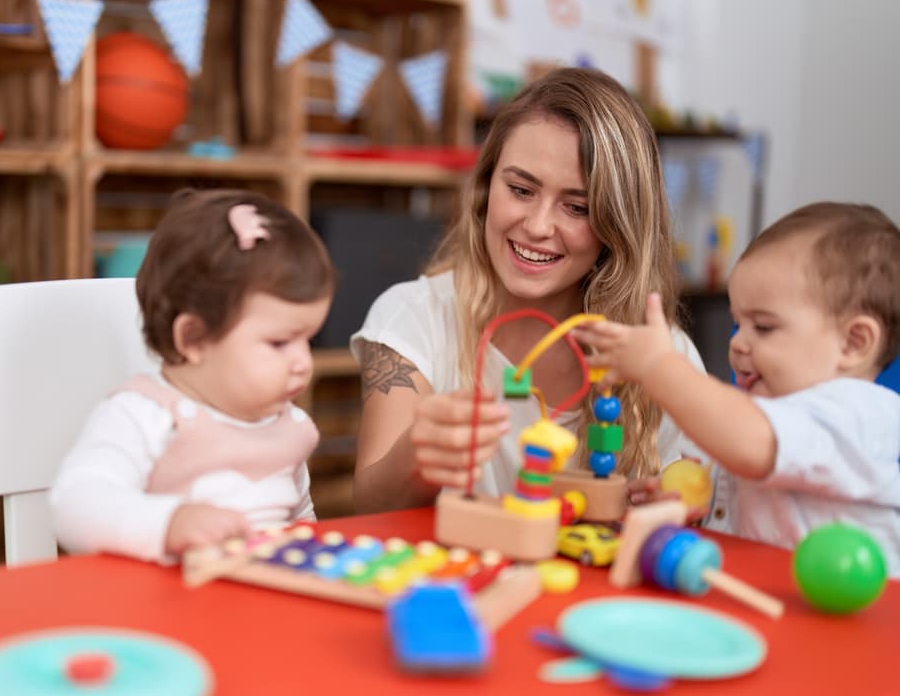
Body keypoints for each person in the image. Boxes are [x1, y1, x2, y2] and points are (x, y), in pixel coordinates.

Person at [350, 67, 707, 514]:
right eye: (520, 189)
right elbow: (369, 507)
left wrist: (682, 506)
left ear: (617, 226)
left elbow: (696, 508)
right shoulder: (414, 317)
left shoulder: (662, 356)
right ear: (485, 189)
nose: (537, 227)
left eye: (577, 207)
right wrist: (418, 456)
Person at [575, 202, 900, 575]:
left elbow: (753, 444)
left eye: (763, 327)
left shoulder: (859, 414)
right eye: (736, 324)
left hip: (854, 622)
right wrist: (688, 499)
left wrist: (658, 367)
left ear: (853, 343)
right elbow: (733, 494)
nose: (738, 344)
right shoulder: (755, 415)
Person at [50, 189, 336, 562]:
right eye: (280, 343)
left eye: (308, 340)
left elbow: (299, 521)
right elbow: (73, 506)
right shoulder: (145, 416)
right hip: (159, 607)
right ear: (193, 338)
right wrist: (170, 523)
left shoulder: (287, 423)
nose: (302, 362)